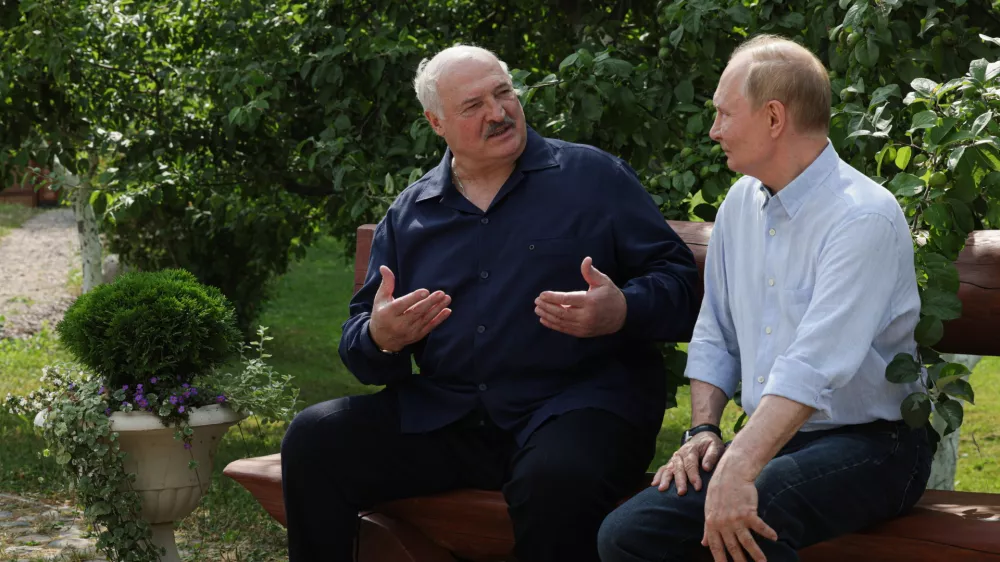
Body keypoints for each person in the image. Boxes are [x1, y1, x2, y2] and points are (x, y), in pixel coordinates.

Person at [279, 44, 701, 562]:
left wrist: (624, 309)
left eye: (504, 94)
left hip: (577, 406)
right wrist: (379, 337)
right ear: (437, 123)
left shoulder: (593, 178)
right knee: (316, 439)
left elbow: (681, 284)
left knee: (554, 481)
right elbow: (361, 342)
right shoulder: (412, 213)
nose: (498, 113)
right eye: (474, 105)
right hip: (451, 415)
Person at [598, 34, 933, 562]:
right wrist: (705, 430)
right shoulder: (739, 202)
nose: (713, 131)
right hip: (776, 439)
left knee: (744, 520)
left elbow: (814, 367)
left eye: (724, 114)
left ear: (774, 118)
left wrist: (737, 467)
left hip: (875, 444)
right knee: (625, 535)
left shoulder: (862, 216)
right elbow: (716, 328)